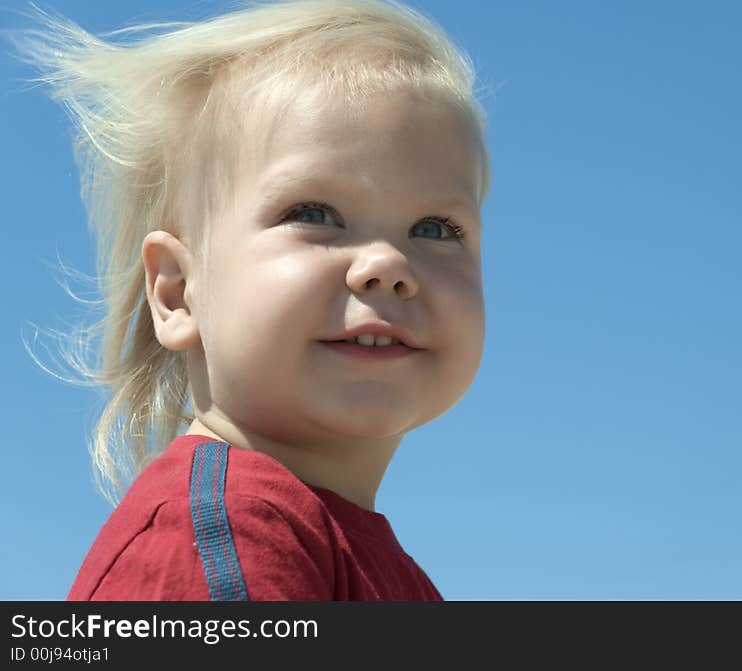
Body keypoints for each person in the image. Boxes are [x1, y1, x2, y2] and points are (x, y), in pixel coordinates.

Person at [11, 0, 491, 600]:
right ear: (179, 293)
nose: (388, 266)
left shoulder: (377, 567)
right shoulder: (220, 537)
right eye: (315, 214)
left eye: (435, 228)